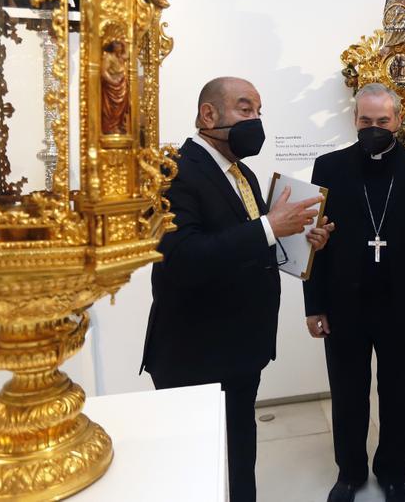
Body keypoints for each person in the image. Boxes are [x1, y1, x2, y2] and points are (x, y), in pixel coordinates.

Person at [140, 77, 332, 502]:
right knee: (196, 465)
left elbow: (250, 243)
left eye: (259, 112)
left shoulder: (241, 172)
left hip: (242, 349)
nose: (256, 121)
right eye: (246, 110)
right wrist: (268, 226)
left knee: (240, 448)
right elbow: (180, 258)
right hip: (195, 354)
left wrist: (299, 240)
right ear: (209, 115)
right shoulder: (174, 172)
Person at [304, 83, 405, 502]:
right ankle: (349, 473)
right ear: (354, 121)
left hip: (402, 304)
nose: (374, 128)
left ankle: (392, 473)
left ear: (399, 121)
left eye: (382, 121)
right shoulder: (328, 167)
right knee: (347, 393)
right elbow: (314, 243)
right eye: (365, 121)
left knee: (398, 394)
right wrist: (314, 305)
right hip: (343, 303)